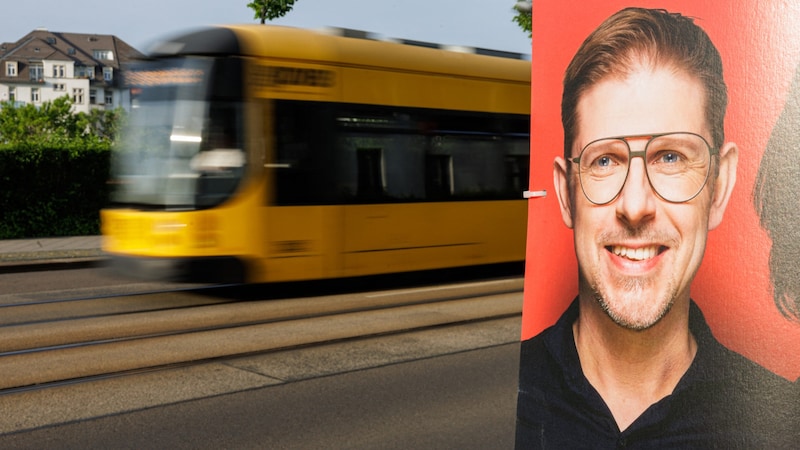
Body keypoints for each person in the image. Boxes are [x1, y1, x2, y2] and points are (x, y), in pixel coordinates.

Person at [515, 7, 798, 448]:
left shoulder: (786, 425)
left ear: (719, 187)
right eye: (604, 160)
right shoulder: (507, 397)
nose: (635, 205)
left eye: (670, 157)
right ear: (566, 193)